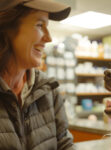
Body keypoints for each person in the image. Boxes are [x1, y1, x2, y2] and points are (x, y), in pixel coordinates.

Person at [0, 0, 75, 150]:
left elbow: (64, 144)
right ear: (6, 27)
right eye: (40, 25)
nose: (48, 38)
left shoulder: (48, 89)